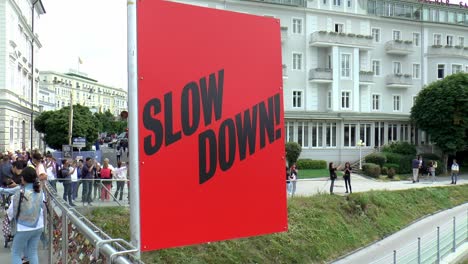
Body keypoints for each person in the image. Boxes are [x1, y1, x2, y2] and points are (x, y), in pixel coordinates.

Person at [8, 166, 44, 264]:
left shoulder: (20, 192)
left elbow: (11, 212)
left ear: (23, 178)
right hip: (38, 225)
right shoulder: (40, 191)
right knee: (32, 252)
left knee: (16, 253)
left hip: (23, 227)